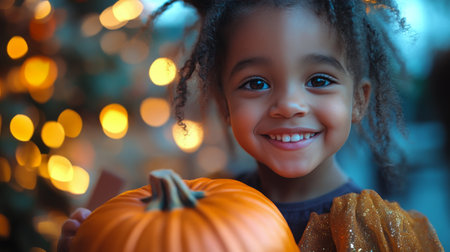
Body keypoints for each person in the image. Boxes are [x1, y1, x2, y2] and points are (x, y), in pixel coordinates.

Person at [58, 0, 444, 251]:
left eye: (319, 80)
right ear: (225, 104)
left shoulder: (383, 234)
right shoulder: (197, 207)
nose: (289, 105)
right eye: (255, 83)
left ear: (358, 100)